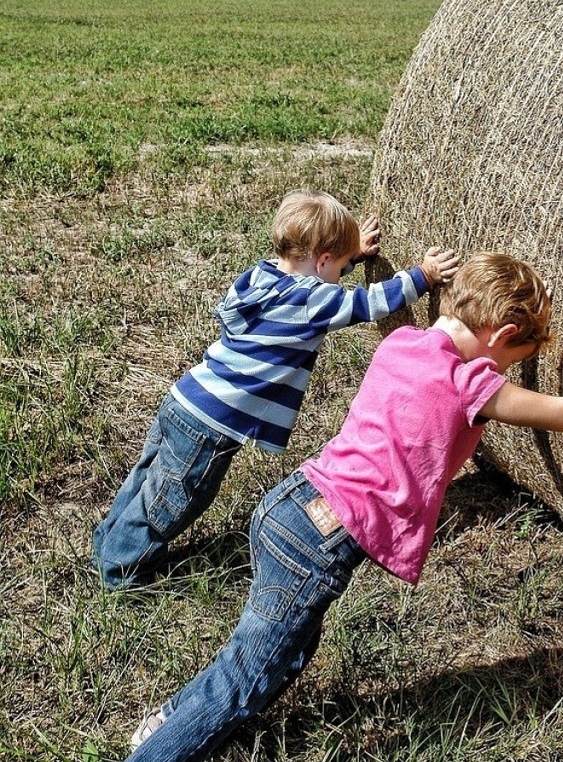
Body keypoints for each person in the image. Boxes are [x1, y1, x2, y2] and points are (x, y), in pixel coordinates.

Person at [70, 252, 563, 762]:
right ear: (504, 335)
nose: (512, 374)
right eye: (516, 360)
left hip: (291, 506)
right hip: (318, 542)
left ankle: (171, 722)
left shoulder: (404, 342)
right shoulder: (470, 382)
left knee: (280, 657)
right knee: (247, 677)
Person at [92, 189, 459, 591]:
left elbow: (314, 283)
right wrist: (423, 275)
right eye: (337, 266)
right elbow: (369, 302)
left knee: (145, 478)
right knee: (172, 499)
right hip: (213, 423)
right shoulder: (311, 300)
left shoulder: (262, 274)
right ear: (321, 261)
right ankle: (122, 573)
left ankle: (108, 542)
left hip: (186, 397)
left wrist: (350, 256)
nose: (340, 276)